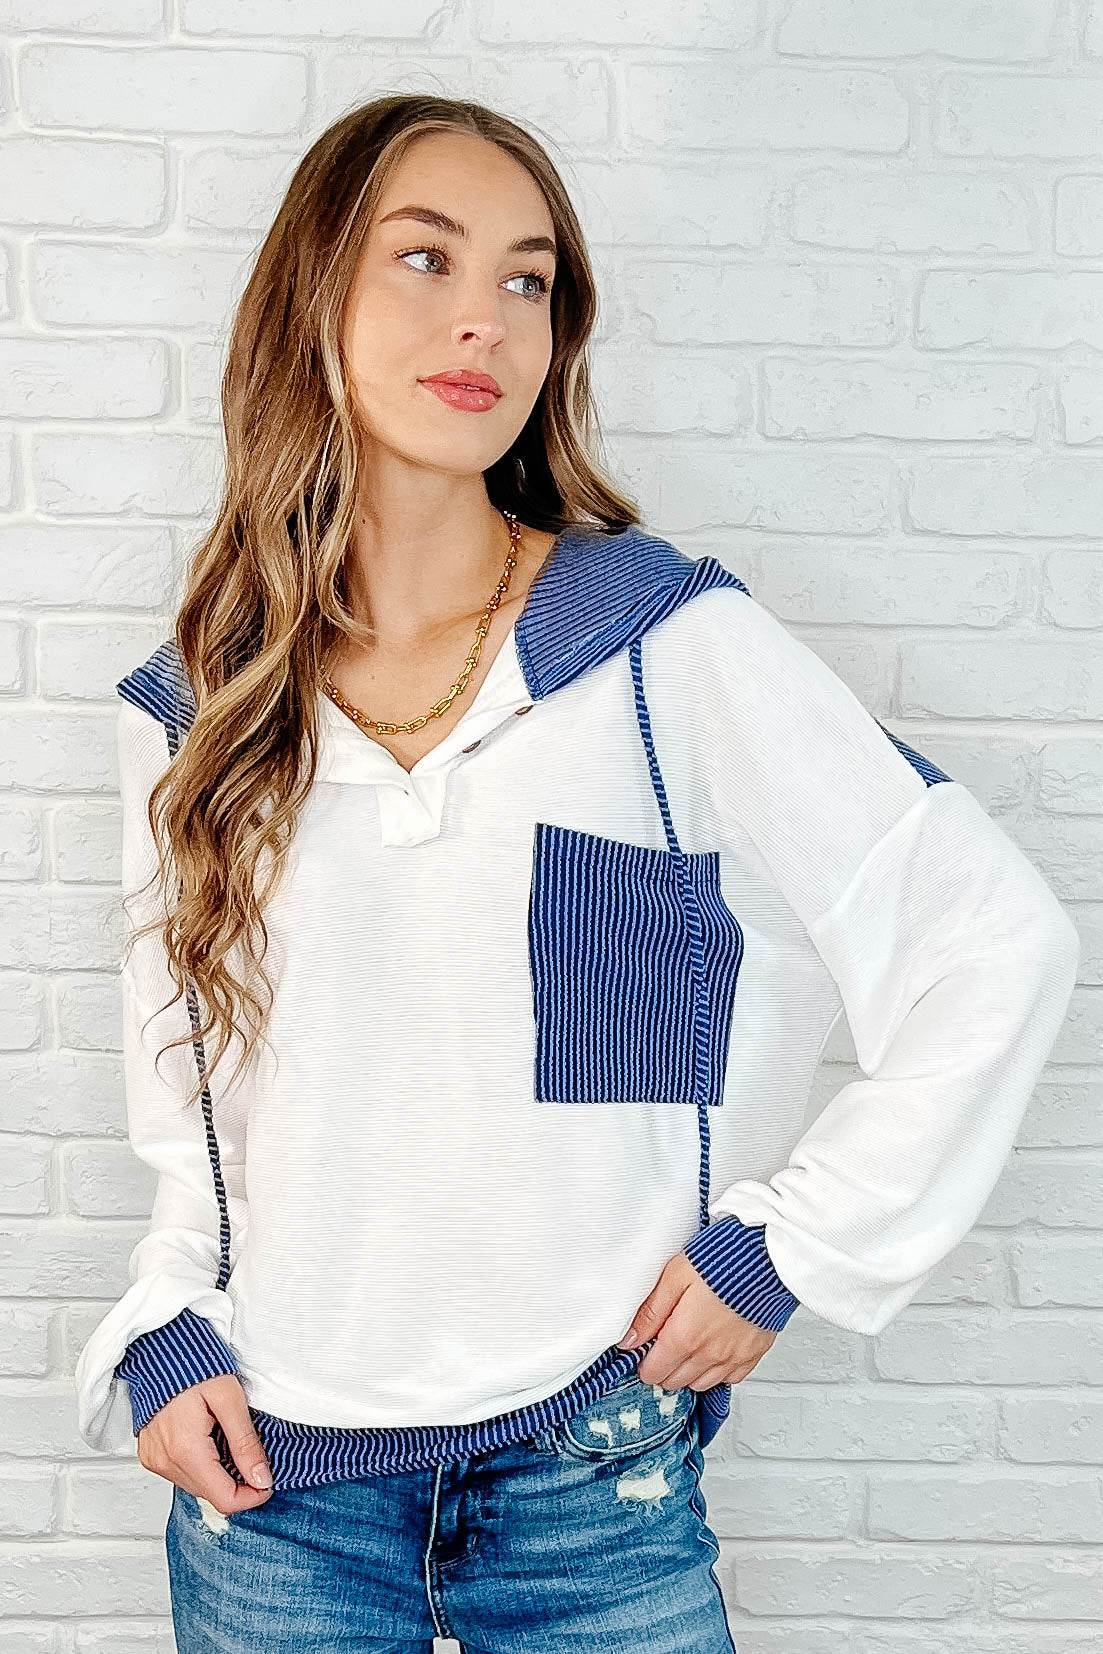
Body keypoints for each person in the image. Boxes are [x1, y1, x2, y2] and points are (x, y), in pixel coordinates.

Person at [73, 94, 1080, 1653]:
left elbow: (991, 937)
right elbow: (196, 1121)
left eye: (528, 280)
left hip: (589, 1483)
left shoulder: (666, 648)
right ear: (312, 296)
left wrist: (786, 1247)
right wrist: (161, 1328)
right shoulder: (203, 708)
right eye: (425, 258)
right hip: (273, 1494)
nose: (485, 316)